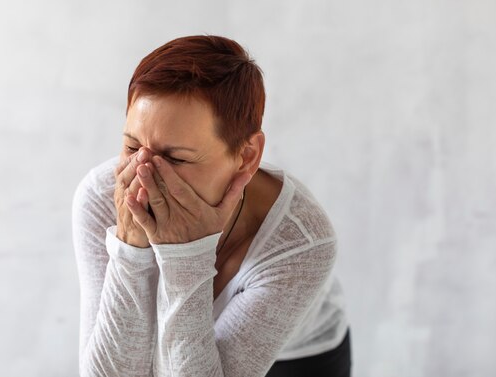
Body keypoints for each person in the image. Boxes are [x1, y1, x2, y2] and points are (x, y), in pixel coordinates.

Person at [72, 35, 350, 377]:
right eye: (131, 147)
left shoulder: (302, 243)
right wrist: (130, 246)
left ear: (247, 157)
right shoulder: (101, 198)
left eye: (175, 158)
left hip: (298, 359)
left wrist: (185, 254)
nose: (143, 176)